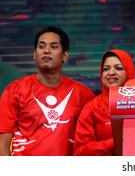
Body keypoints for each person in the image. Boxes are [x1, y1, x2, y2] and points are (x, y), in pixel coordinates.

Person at [0, 26, 95, 156]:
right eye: (41, 46)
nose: (46, 51)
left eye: (54, 47)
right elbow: (3, 146)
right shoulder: (14, 90)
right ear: (34, 54)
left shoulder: (83, 94)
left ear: (65, 56)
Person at [73, 49, 135, 156]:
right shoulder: (92, 108)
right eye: (106, 69)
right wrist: (116, 142)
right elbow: (81, 152)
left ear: (129, 71)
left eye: (118, 68)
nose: (111, 73)